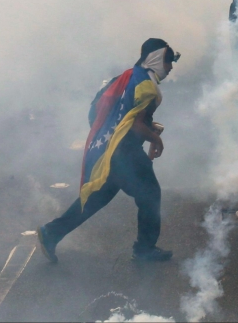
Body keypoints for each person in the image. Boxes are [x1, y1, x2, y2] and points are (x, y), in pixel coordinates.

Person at [37, 39, 180, 264]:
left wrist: (149, 127)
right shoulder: (147, 86)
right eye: (168, 61)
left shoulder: (129, 76)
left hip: (111, 152)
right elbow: (135, 124)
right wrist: (155, 139)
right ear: (156, 58)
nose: (170, 67)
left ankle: (51, 233)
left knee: (94, 200)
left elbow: (123, 115)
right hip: (126, 153)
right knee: (151, 195)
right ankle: (144, 249)